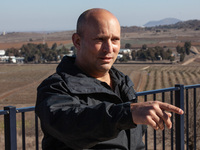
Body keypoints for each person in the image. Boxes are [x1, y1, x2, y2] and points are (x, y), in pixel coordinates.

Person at [35, 8, 184, 150]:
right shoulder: (55, 88)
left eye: (115, 40)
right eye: (100, 39)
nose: (109, 48)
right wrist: (127, 113)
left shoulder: (122, 83)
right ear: (77, 41)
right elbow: (72, 125)